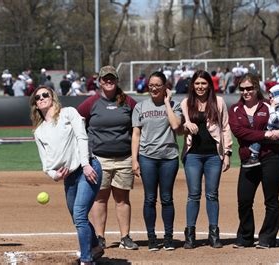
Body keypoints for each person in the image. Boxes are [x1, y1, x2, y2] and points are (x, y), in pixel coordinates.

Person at [30, 86, 103, 264]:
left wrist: (85, 164)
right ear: (35, 105)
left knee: (79, 214)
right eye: (37, 98)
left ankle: (86, 260)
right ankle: (95, 246)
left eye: (45, 94)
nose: (41, 98)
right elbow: (46, 163)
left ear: (52, 97)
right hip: (69, 177)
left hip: (88, 168)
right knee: (77, 216)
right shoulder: (39, 131)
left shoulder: (69, 113)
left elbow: (82, 137)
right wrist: (54, 174)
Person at [77, 65, 139, 251]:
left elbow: (138, 126)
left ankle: (125, 237)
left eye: (112, 78)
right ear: (100, 81)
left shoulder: (128, 102)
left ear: (117, 80)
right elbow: (77, 124)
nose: (109, 81)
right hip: (99, 159)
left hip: (124, 158)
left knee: (122, 199)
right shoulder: (91, 103)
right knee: (99, 198)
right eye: (105, 79)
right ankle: (100, 237)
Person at [228, 73, 279, 249]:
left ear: (256, 88)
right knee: (244, 200)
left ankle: (267, 238)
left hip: (271, 157)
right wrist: (265, 134)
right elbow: (239, 132)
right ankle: (245, 237)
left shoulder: (269, 106)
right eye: (243, 89)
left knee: (271, 200)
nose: (246, 92)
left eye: (250, 88)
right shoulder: (235, 110)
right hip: (248, 160)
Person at [181, 70, 232, 249]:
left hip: (213, 155)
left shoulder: (218, 102)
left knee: (212, 194)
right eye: (197, 84)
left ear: (209, 85)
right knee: (193, 195)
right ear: (192, 86)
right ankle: (190, 235)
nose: (200, 87)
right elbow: (179, 127)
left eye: (203, 83)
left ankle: (213, 234)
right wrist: (186, 124)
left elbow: (225, 127)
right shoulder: (186, 103)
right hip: (193, 155)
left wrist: (227, 153)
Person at [131, 71, 182, 251]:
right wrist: (134, 160)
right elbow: (136, 134)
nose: (153, 88)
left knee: (167, 198)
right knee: (149, 198)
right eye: (151, 85)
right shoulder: (140, 107)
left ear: (165, 87)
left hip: (169, 158)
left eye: (157, 85)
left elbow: (176, 126)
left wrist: (167, 102)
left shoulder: (175, 105)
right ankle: (152, 237)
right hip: (147, 158)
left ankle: (168, 238)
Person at [243, 84, 279, 168]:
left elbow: (275, 119)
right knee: (260, 137)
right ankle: (253, 156)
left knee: (260, 137)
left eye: (272, 97)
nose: (270, 100)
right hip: (275, 129)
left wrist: (272, 108)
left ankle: (253, 157)